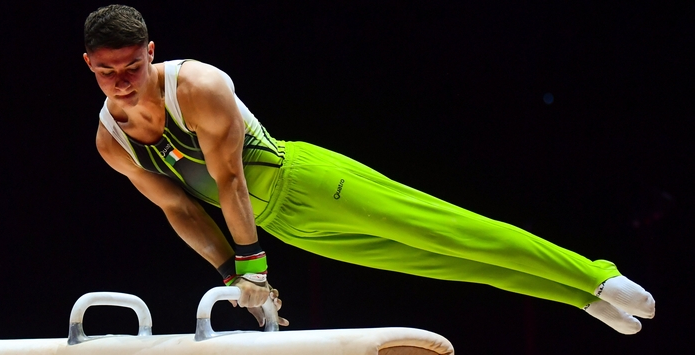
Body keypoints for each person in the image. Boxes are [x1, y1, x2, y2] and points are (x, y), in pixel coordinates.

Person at [82, 5, 655, 334]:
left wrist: (252, 264)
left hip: (305, 182)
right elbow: (180, 207)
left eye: (132, 65)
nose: (123, 80)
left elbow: (229, 178)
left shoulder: (199, 86)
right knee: (440, 265)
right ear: (89, 65)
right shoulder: (113, 144)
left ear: (152, 52)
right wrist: (232, 277)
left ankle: (593, 272)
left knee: (449, 230)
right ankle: (582, 298)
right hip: (287, 227)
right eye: (108, 72)